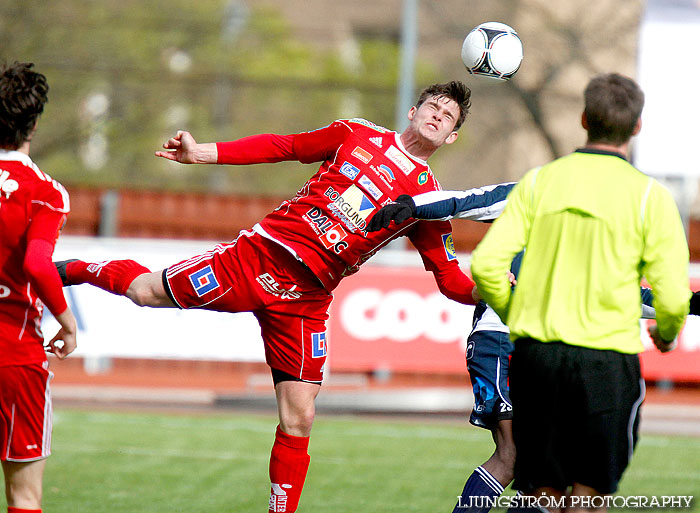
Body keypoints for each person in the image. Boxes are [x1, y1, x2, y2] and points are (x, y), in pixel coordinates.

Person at [55, 81, 479, 513]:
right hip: (258, 258)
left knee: (300, 416)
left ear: (451, 137)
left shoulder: (432, 201)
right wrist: (202, 153)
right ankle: (70, 269)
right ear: (412, 111)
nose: (437, 116)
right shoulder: (356, 134)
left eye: (447, 117)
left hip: (307, 298)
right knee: (145, 291)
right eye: (432, 106)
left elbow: (447, 276)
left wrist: (494, 293)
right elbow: (284, 145)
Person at [369, 185, 700, 513]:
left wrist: (689, 303)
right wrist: (412, 204)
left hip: (542, 351)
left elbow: (624, 295)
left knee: (545, 468)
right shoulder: (533, 194)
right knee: (515, 456)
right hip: (500, 338)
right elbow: (468, 201)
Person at [469, 73, 689, 511]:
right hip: (607, 362)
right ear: (637, 127)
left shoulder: (539, 182)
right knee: (590, 493)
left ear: (584, 118)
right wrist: (665, 333)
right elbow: (673, 296)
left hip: (537, 357)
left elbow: (486, 265)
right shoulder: (650, 197)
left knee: (542, 492)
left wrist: (516, 314)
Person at [0, 62, 77, 513]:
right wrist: (67, 323)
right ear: (34, 120)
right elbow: (36, 262)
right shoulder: (46, 191)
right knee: (24, 498)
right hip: (15, 354)